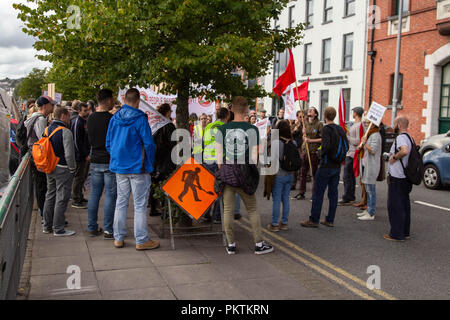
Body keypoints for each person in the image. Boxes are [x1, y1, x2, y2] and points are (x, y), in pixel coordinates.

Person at [216, 96, 273, 255]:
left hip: (227, 170)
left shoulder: (222, 129)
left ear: (231, 110)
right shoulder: (252, 129)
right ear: (247, 109)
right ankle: (258, 244)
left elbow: (219, 158)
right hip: (245, 170)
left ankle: (231, 245)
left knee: (228, 209)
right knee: (252, 209)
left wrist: (223, 172)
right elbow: (255, 157)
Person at [106, 88, 159, 250]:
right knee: (139, 205)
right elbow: (149, 144)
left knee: (121, 203)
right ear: (138, 101)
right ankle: (141, 239)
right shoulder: (140, 118)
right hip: (138, 167)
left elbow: (108, 142)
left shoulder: (114, 118)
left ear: (124, 100)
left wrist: (117, 157)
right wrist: (150, 163)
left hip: (120, 166)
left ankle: (118, 237)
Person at [301, 107, 347, 228]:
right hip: (337, 165)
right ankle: (330, 219)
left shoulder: (327, 129)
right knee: (333, 193)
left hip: (326, 165)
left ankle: (314, 219)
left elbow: (325, 146)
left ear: (325, 116)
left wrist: (319, 154)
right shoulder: (340, 129)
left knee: (318, 192)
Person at [86, 89, 117, 239]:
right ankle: (108, 229)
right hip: (109, 160)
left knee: (94, 194)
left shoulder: (90, 118)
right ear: (109, 100)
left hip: (95, 160)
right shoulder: (112, 119)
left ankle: (92, 226)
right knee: (110, 196)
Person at [42, 107, 77, 236]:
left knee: (50, 195)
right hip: (62, 168)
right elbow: (69, 154)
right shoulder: (65, 132)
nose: (69, 119)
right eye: (68, 116)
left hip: (49, 167)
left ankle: (46, 225)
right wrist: (72, 168)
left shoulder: (47, 129)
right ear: (63, 116)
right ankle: (58, 228)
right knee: (61, 198)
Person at [25, 96, 55, 217]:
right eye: (51, 104)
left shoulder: (33, 118)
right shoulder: (41, 119)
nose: (53, 107)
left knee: (40, 185)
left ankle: (44, 213)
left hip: (33, 154)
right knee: (42, 185)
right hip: (39, 157)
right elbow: (43, 139)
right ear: (44, 106)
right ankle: (45, 215)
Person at [385, 116, 413, 241]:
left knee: (395, 205)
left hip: (397, 176)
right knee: (404, 204)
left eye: (395, 123)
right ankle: (405, 232)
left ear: (399, 125)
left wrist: (394, 158)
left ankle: (396, 234)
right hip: (405, 177)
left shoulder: (401, 138)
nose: (393, 125)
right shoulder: (410, 138)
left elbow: (404, 151)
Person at [201, 107, 230, 223]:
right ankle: (217, 216)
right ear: (227, 116)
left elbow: (203, 143)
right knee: (219, 189)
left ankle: (206, 214)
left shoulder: (208, 126)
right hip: (219, 162)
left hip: (207, 161)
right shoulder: (226, 128)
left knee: (208, 188)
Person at [149, 103, 177, 216]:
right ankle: (166, 211)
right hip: (166, 159)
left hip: (155, 159)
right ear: (167, 112)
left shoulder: (155, 124)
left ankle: (153, 208)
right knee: (166, 184)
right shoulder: (168, 125)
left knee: (154, 184)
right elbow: (172, 143)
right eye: (170, 111)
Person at [267, 120, 296, 232]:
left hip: (278, 174)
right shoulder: (293, 143)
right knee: (286, 199)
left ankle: (274, 224)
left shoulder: (276, 143)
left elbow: (270, 158)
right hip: (289, 174)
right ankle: (284, 223)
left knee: (277, 200)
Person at [294, 107, 322, 200]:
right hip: (305, 151)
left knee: (314, 173)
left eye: (312, 110)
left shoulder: (319, 124)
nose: (309, 111)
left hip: (313, 152)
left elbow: (322, 139)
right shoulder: (304, 123)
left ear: (316, 114)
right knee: (303, 173)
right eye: (309, 109)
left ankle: (315, 194)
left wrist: (311, 140)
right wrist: (303, 134)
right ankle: (301, 192)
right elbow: (303, 137)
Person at [357, 117, 381, 221]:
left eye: (368, 122)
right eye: (365, 122)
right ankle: (368, 210)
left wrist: (365, 143)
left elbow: (373, 150)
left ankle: (371, 212)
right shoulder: (369, 133)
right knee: (367, 188)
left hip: (371, 165)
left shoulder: (375, 135)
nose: (366, 124)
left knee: (371, 190)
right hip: (365, 164)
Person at [339, 106, 364, 205]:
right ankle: (350, 196)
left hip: (353, 154)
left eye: (353, 112)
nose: (352, 113)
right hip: (349, 152)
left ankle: (348, 196)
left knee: (347, 176)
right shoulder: (354, 124)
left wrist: (348, 137)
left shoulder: (359, 125)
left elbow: (358, 140)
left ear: (356, 113)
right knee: (349, 176)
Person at [70, 102, 92, 209]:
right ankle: (75, 198)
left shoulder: (84, 121)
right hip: (79, 156)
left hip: (84, 154)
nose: (87, 112)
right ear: (79, 111)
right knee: (78, 177)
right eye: (85, 110)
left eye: (87, 110)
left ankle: (79, 195)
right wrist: (84, 154)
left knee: (82, 176)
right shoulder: (78, 122)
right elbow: (76, 141)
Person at [291, 110, 304, 191]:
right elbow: (289, 135)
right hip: (295, 147)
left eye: (303, 117)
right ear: (297, 117)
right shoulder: (293, 125)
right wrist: (294, 130)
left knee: (302, 167)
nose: (301, 118)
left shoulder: (305, 125)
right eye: (300, 117)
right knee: (294, 167)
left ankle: (302, 186)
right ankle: (293, 183)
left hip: (303, 147)